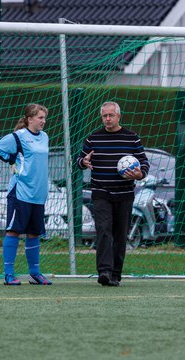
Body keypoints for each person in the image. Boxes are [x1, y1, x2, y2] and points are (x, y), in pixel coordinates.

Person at [77, 101, 149, 286]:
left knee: (120, 234)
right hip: (101, 192)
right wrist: (83, 161)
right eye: (104, 116)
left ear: (118, 116)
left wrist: (140, 173)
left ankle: (116, 273)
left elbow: (144, 163)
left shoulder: (132, 138)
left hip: (124, 193)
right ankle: (104, 271)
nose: (107, 119)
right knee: (103, 229)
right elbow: (79, 160)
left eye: (111, 115)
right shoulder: (93, 138)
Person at [0, 103, 52, 285]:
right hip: (21, 192)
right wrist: (12, 159)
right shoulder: (18, 137)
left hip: (38, 194)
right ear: (29, 119)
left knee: (34, 233)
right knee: (14, 231)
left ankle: (35, 273)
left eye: (44, 118)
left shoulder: (45, 136)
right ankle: (9, 274)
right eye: (40, 118)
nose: (43, 121)